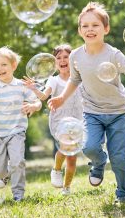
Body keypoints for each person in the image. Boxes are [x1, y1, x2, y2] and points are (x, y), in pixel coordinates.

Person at [48, 2, 125, 203]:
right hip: (91, 111)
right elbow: (75, 79)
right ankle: (99, 162)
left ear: (105, 29)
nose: (90, 29)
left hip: (117, 112)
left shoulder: (113, 54)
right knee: (89, 147)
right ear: (80, 30)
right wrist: (61, 98)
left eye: (95, 25)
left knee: (119, 157)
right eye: (85, 26)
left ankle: (124, 194)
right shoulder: (75, 56)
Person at [0, 46, 42, 202]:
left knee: (17, 162)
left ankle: (18, 194)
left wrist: (33, 106)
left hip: (16, 131)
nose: (0, 68)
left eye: (4, 64)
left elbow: (37, 101)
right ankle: (2, 178)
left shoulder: (21, 86)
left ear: (13, 66)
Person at [23, 44, 83, 196]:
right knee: (65, 147)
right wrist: (34, 89)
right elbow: (43, 96)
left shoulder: (80, 78)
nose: (62, 60)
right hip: (59, 121)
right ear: (54, 63)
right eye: (58, 58)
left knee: (72, 159)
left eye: (66, 57)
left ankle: (66, 187)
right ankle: (56, 169)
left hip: (78, 121)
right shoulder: (53, 81)